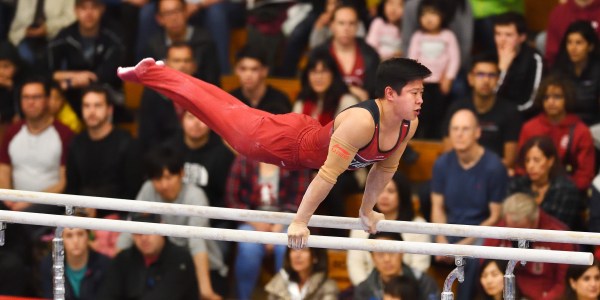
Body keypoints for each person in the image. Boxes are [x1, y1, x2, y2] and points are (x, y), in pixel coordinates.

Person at [117, 56, 431, 249]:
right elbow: (327, 175)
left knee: (224, 108)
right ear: (390, 94)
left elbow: (383, 170)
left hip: (303, 133)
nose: (420, 99)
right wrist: (300, 220)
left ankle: (161, 73)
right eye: (414, 92)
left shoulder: (408, 123)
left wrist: (366, 211)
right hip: (282, 144)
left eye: (421, 92)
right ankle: (152, 74)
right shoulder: (362, 122)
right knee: (217, 112)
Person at [116, 146, 227, 299]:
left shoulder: (195, 196)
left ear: (181, 173)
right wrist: (114, 270)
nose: (164, 185)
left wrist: (205, 290)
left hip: (202, 267)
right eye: (157, 179)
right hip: (164, 266)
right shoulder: (148, 190)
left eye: (169, 177)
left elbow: (197, 242)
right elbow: (131, 227)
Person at [432, 109, 507, 300]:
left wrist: (461, 246)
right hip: (449, 228)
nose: (459, 133)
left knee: (474, 255)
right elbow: (437, 207)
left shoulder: (494, 166)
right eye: (455, 129)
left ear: (477, 133)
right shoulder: (442, 164)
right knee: (419, 245)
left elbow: (495, 216)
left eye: (465, 129)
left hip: (480, 230)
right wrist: (441, 239)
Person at [226, 155, 311, 299]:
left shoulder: (295, 160)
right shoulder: (244, 159)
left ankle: (285, 297)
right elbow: (232, 198)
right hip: (251, 221)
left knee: (287, 249)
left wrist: (279, 225)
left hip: (289, 222)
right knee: (248, 249)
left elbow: (301, 199)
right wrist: (255, 222)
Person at [483, 193, 577, 300]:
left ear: (534, 221)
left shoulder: (559, 236)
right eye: (511, 229)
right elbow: (484, 271)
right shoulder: (498, 231)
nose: (516, 235)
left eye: (520, 229)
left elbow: (564, 283)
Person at [0, 77, 74, 214]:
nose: (30, 102)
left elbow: (63, 182)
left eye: (36, 97)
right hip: (13, 202)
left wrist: (29, 202)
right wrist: (8, 198)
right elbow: (3, 170)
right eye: (26, 97)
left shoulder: (65, 134)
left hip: (49, 204)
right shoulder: (12, 131)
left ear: (47, 100)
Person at [65, 85, 143, 211]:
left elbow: (133, 191)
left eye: (98, 105)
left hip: (117, 217)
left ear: (109, 110)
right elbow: (72, 188)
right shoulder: (76, 142)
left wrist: (100, 211)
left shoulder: (127, 143)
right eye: (87, 106)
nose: (91, 111)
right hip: (81, 216)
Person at [347, 172, 431, 286]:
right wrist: (371, 292)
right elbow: (355, 266)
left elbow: (419, 267)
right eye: (380, 190)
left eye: (391, 191)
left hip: (407, 292)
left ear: (402, 194)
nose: (384, 196)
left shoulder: (418, 226)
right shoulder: (360, 225)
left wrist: (397, 293)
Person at [442, 53, 521, 169]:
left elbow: (509, 160)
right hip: (461, 171)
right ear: (470, 79)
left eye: (491, 75)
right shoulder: (457, 109)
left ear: (498, 79)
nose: (486, 80)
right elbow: (448, 151)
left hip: (494, 174)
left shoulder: (510, 112)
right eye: (480, 74)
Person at [518, 74, 595, 192]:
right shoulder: (529, 127)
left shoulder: (581, 131)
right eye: (546, 97)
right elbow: (521, 166)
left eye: (557, 97)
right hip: (532, 189)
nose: (551, 102)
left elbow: (585, 174)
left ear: (567, 98)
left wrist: (563, 189)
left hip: (568, 192)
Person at [48, 0, 125, 115]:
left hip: (107, 98)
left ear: (102, 9)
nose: (89, 13)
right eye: (83, 8)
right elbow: (48, 72)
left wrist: (69, 83)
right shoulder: (63, 38)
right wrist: (74, 77)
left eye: (94, 7)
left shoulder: (114, 38)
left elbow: (107, 75)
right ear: (75, 10)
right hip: (71, 99)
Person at [98, 213, 199, 300]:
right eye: (138, 232)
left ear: (162, 229)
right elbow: (107, 295)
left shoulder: (180, 259)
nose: (144, 238)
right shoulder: (123, 259)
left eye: (149, 231)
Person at [407, 0, 460, 139]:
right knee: (419, 113)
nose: (429, 18)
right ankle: (418, 140)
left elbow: (454, 59)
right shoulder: (418, 36)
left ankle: (435, 140)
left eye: (433, 14)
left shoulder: (448, 36)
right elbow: (412, 59)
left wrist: (448, 78)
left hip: (440, 84)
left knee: (438, 114)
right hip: (421, 84)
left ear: (443, 16)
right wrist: (417, 78)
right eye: (424, 14)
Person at [509, 136, 581, 229]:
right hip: (522, 239)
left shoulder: (566, 190)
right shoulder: (517, 186)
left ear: (550, 161)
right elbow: (507, 220)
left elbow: (559, 227)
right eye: (527, 160)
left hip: (555, 240)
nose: (530, 166)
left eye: (536, 160)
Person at [138, 42, 200, 150]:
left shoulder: (203, 91)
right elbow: (147, 136)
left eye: (187, 60)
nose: (182, 65)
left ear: (194, 66)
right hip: (163, 155)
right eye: (177, 60)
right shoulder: (153, 93)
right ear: (166, 65)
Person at [311, 4, 380, 100]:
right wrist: (349, 89)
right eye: (341, 23)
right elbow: (312, 88)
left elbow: (374, 92)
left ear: (357, 26)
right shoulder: (319, 53)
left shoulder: (370, 54)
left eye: (351, 23)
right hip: (327, 108)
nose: (346, 28)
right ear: (332, 25)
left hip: (362, 110)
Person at [144, 0, 220, 85]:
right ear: (159, 19)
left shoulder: (205, 42)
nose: (174, 18)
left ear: (186, 12)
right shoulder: (153, 46)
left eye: (177, 11)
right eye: (168, 13)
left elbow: (213, 83)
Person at [354, 232, 439, 300]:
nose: (387, 259)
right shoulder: (364, 290)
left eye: (392, 251)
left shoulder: (424, 283)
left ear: (402, 252)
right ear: (372, 257)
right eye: (380, 254)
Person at [493, 12, 543, 120]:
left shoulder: (534, 59)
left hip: (523, 117)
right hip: (494, 118)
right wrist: (502, 70)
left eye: (508, 35)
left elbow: (533, 102)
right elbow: (486, 97)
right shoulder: (489, 58)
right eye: (498, 34)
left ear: (522, 37)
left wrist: (507, 115)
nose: (502, 40)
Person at [40, 226, 111, 299]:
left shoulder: (105, 264)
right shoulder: (49, 264)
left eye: (80, 234)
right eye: (69, 236)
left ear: (88, 236)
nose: (75, 241)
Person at [552, 20, 600, 126]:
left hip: (593, 125)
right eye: (569, 42)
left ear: (590, 46)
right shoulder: (560, 68)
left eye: (579, 43)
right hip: (563, 124)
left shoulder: (597, 70)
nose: (573, 48)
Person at [8, 0, 75, 67]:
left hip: (57, 35)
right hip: (28, 36)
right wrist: (24, 32)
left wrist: (48, 28)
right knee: (24, 57)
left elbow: (71, 17)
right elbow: (18, 21)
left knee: (61, 59)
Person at [230, 45, 292, 115]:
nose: (248, 74)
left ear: (264, 71)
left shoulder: (280, 100)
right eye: (243, 69)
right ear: (236, 70)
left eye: (254, 69)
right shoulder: (230, 100)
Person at [265, 247, 339, 300]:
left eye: (304, 250)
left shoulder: (328, 287)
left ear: (315, 257)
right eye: (293, 249)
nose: (297, 255)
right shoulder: (278, 283)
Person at [545, 0, 600, 67]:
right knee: (542, 39)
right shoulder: (559, 12)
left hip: (596, 67)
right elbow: (552, 53)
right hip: (565, 68)